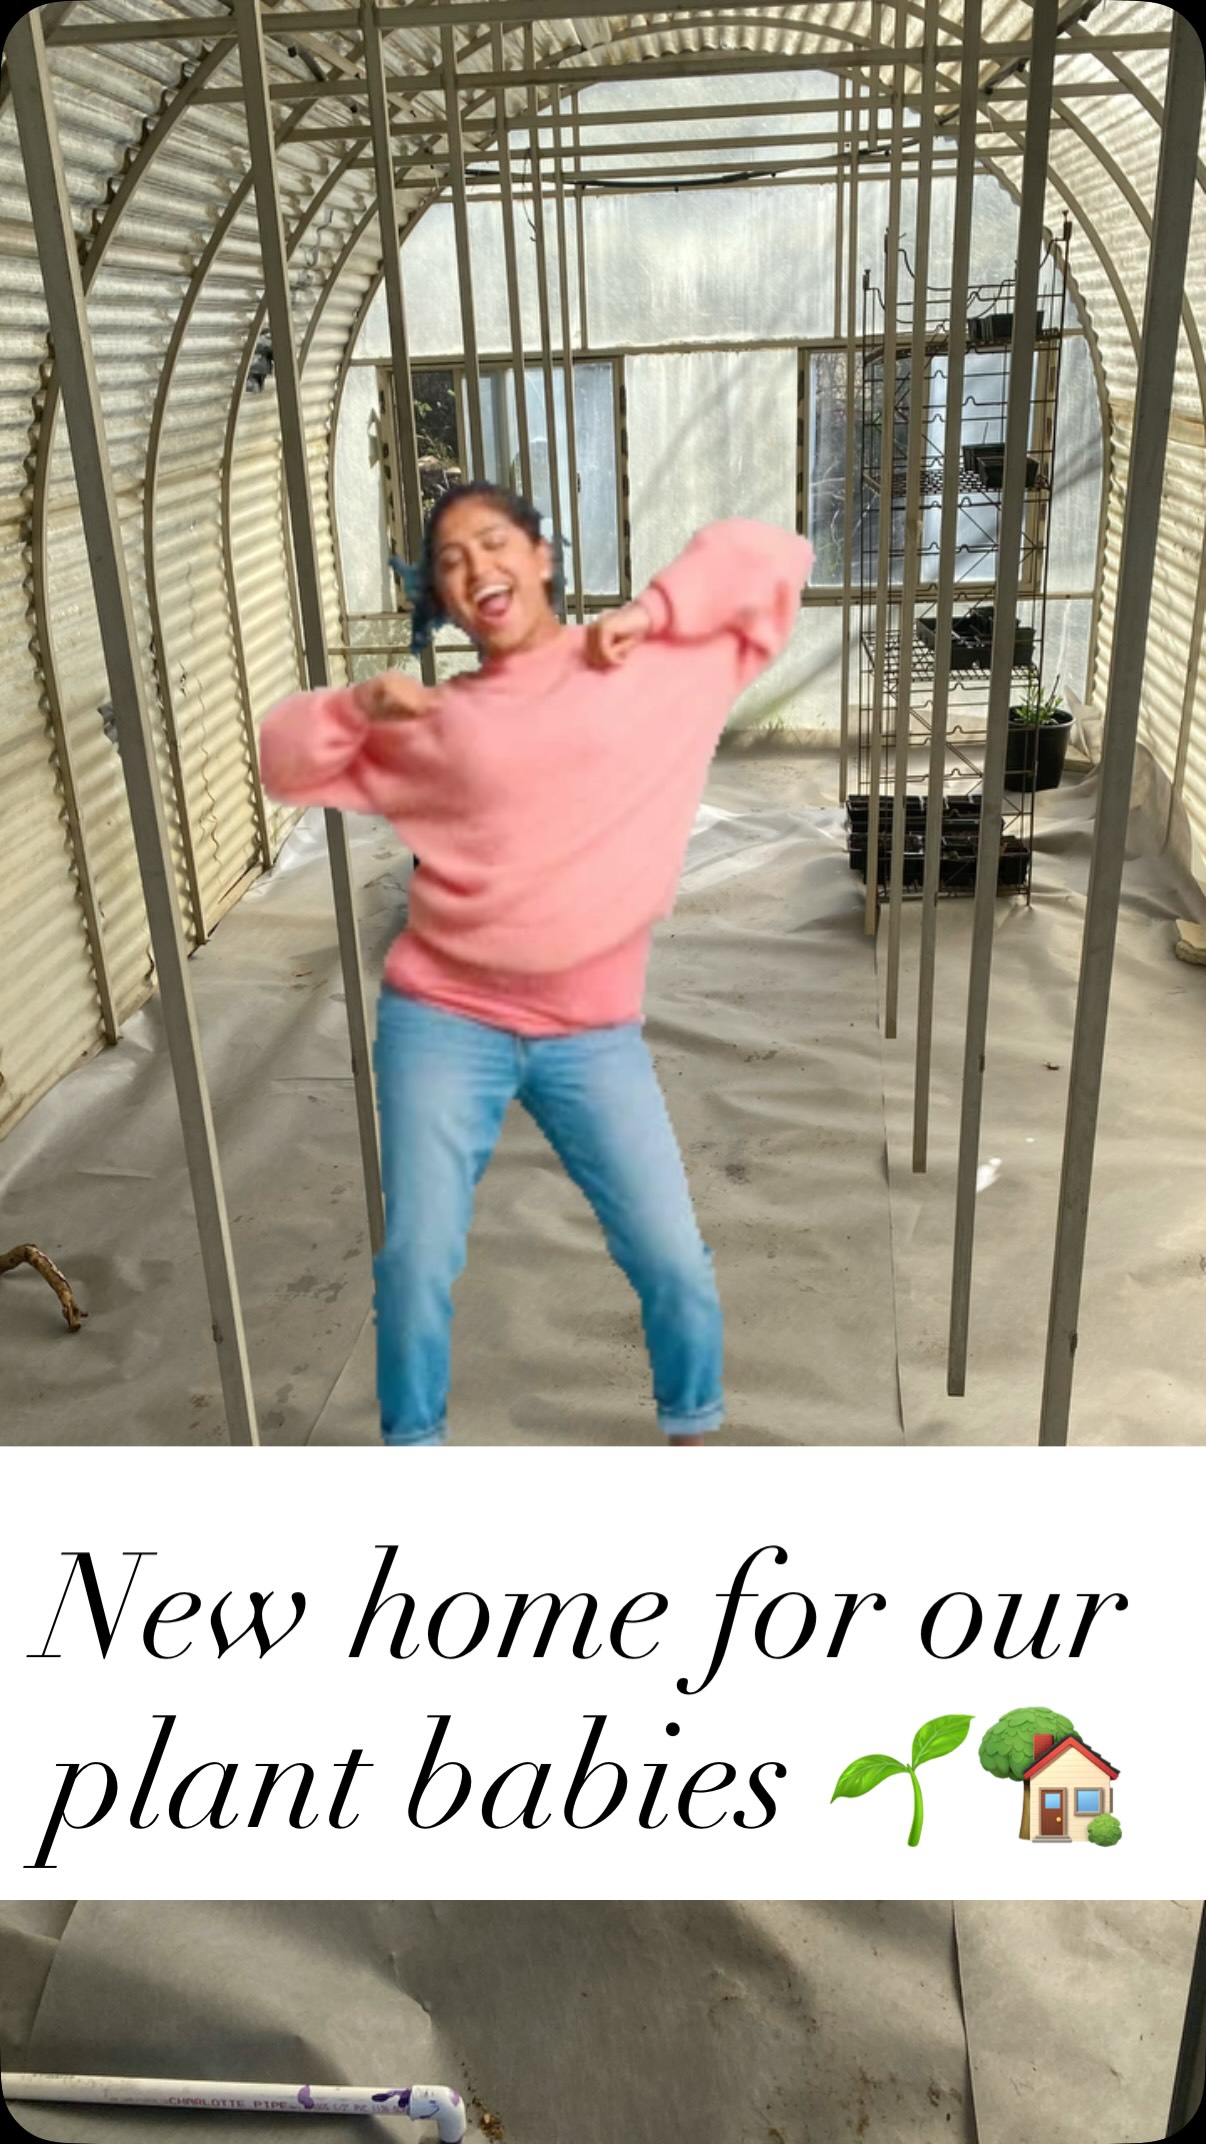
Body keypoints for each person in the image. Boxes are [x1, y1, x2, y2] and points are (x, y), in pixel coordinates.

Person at [260, 484, 814, 1447]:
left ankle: (695, 1435)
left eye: (494, 543)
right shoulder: (428, 722)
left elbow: (772, 555)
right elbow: (282, 756)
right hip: (442, 1022)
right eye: (450, 561)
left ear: (543, 556)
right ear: (441, 597)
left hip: (592, 1035)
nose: (476, 567)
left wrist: (647, 612)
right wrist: (358, 701)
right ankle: (413, 1456)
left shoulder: (654, 669)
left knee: (673, 1259)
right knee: (416, 1263)